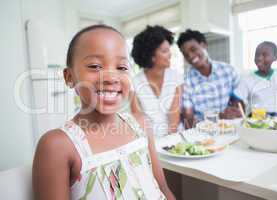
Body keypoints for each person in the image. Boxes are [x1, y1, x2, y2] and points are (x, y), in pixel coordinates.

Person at [32, 24, 175, 200]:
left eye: (121, 68)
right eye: (95, 66)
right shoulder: (57, 145)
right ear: (69, 77)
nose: (111, 77)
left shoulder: (141, 124)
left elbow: (163, 189)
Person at [177, 29, 241, 129]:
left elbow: (239, 98)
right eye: (186, 54)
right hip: (203, 135)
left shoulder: (228, 70)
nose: (190, 56)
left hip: (231, 128)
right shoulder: (186, 82)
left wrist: (236, 109)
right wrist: (219, 117)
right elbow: (188, 122)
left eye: (193, 49)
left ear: (204, 45)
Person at [130, 25, 183, 136]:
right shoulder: (134, 83)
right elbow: (138, 121)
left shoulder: (176, 78)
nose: (170, 55)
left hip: (173, 139)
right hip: (147, 139)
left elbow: (174, 119)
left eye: (169, 50)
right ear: (150, 56)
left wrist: (168, 146)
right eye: (165, 51)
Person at [234, 41, 277, 115]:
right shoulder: (246, 79)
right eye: (257, 55)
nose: (259, 58)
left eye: (265, 55)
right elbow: (237, 99)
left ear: (275, 58)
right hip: (256, 119)